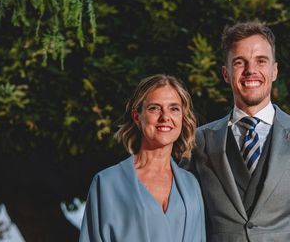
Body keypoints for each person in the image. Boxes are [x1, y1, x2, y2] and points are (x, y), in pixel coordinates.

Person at [190, 21, 290, 241]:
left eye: (261, 61)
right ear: (226, 73)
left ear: (274, 70)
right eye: (239, 62)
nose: (251, 71)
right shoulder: (199, 141)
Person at [80, 74, 206, 242]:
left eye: (174, 108)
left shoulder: (192, 185)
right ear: (137, 117)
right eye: (154, 108)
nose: (165, 117)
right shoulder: (106, 183)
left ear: (182, 117)